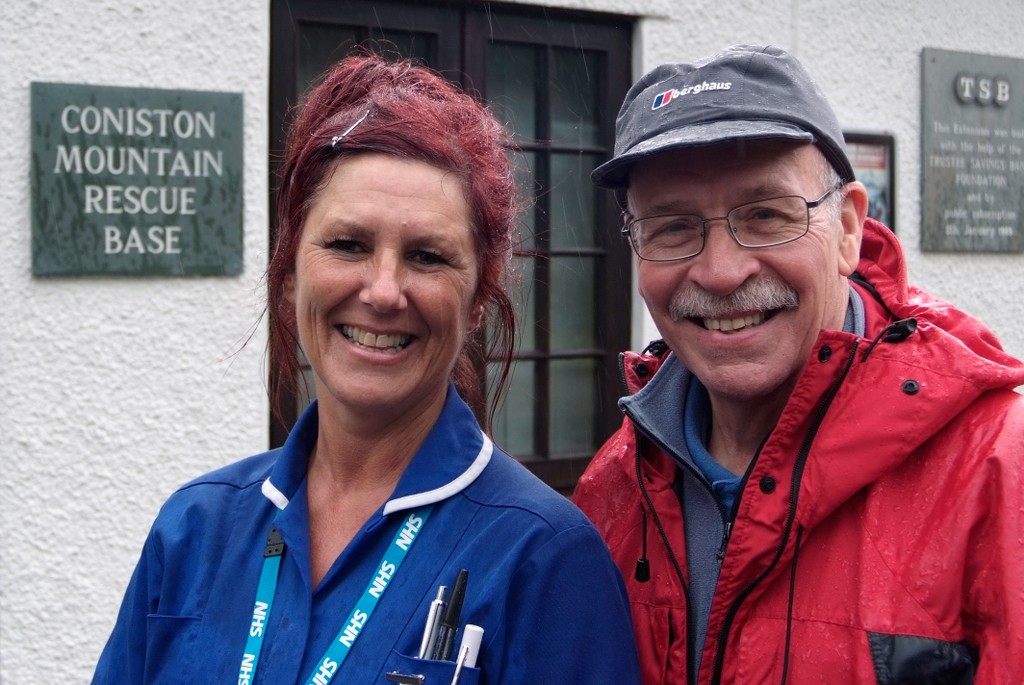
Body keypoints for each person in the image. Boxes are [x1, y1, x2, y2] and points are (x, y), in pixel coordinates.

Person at [92, 54, 640, 685]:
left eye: (427, 256)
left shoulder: (544, 558)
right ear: (290, 275)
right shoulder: (194, 530)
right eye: (347, 245)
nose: (382, 292)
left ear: (479, 300)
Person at [572, 44, 1024, 685]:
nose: (721, 273)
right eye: (672, 227)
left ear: (849, 229)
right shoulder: (615, 486)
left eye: (766, 216)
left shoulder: (999, 473)